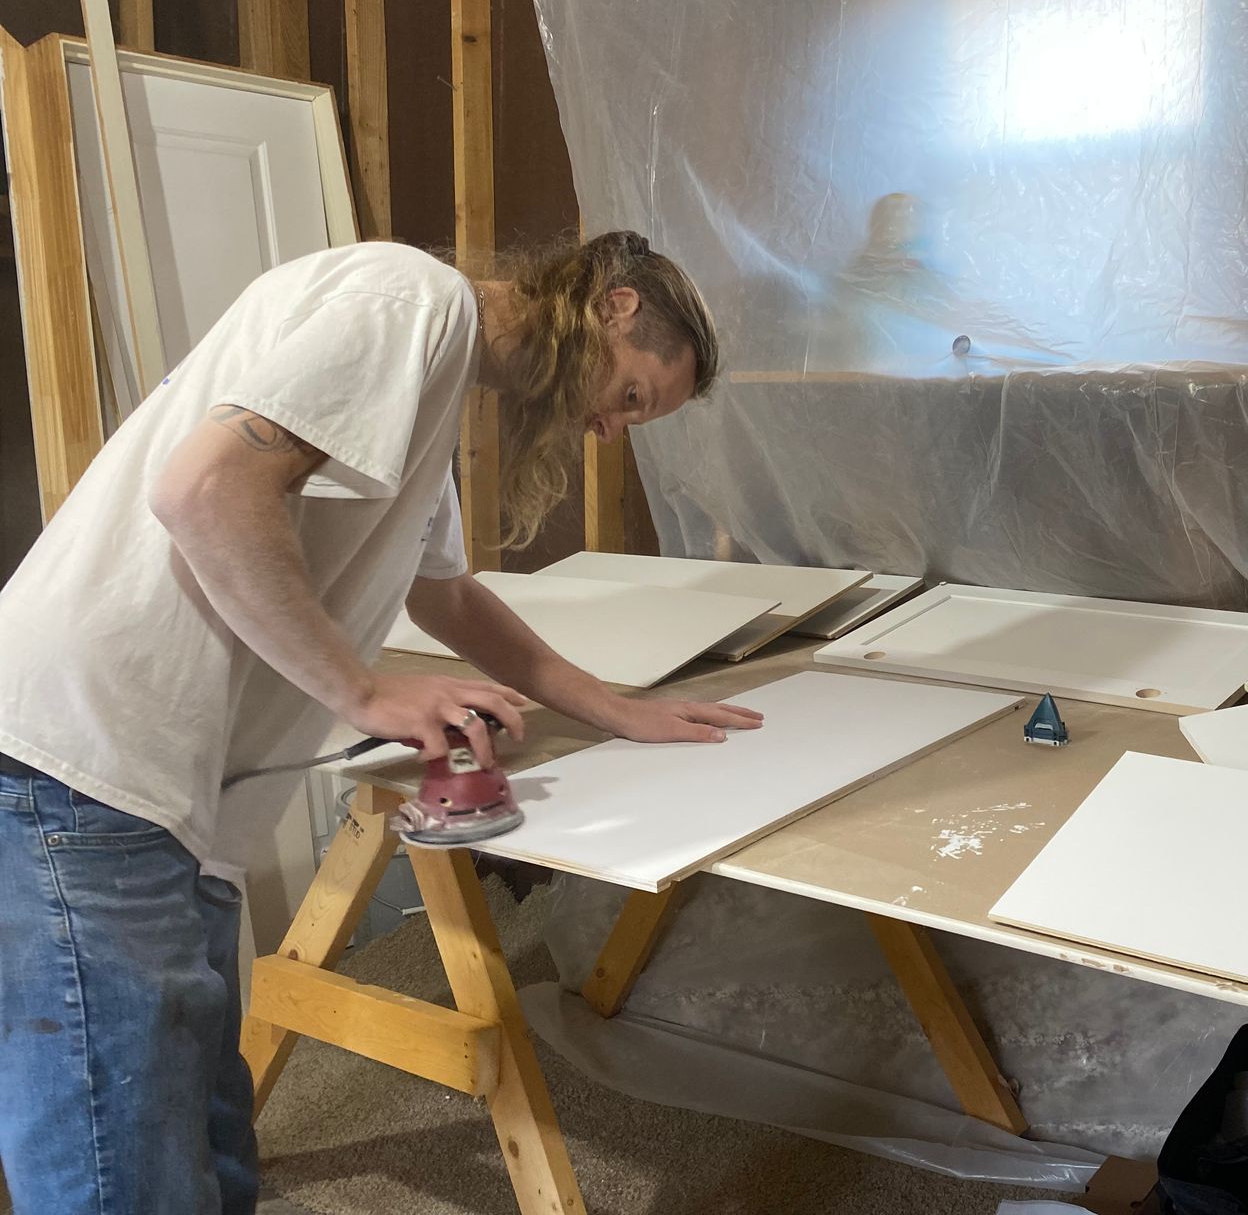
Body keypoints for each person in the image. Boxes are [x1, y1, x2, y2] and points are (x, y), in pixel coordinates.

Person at [0, 230, 762, 1214]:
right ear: (614, 308)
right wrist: (362, 693)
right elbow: (205, 489)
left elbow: (448, 597)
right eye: (630, 396)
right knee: (126, 1172)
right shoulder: (411, 298)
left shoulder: (426, 384)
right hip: (86, 761)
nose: (610, 431)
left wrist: (618, 708)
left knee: (209, 1142)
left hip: (170, 791)